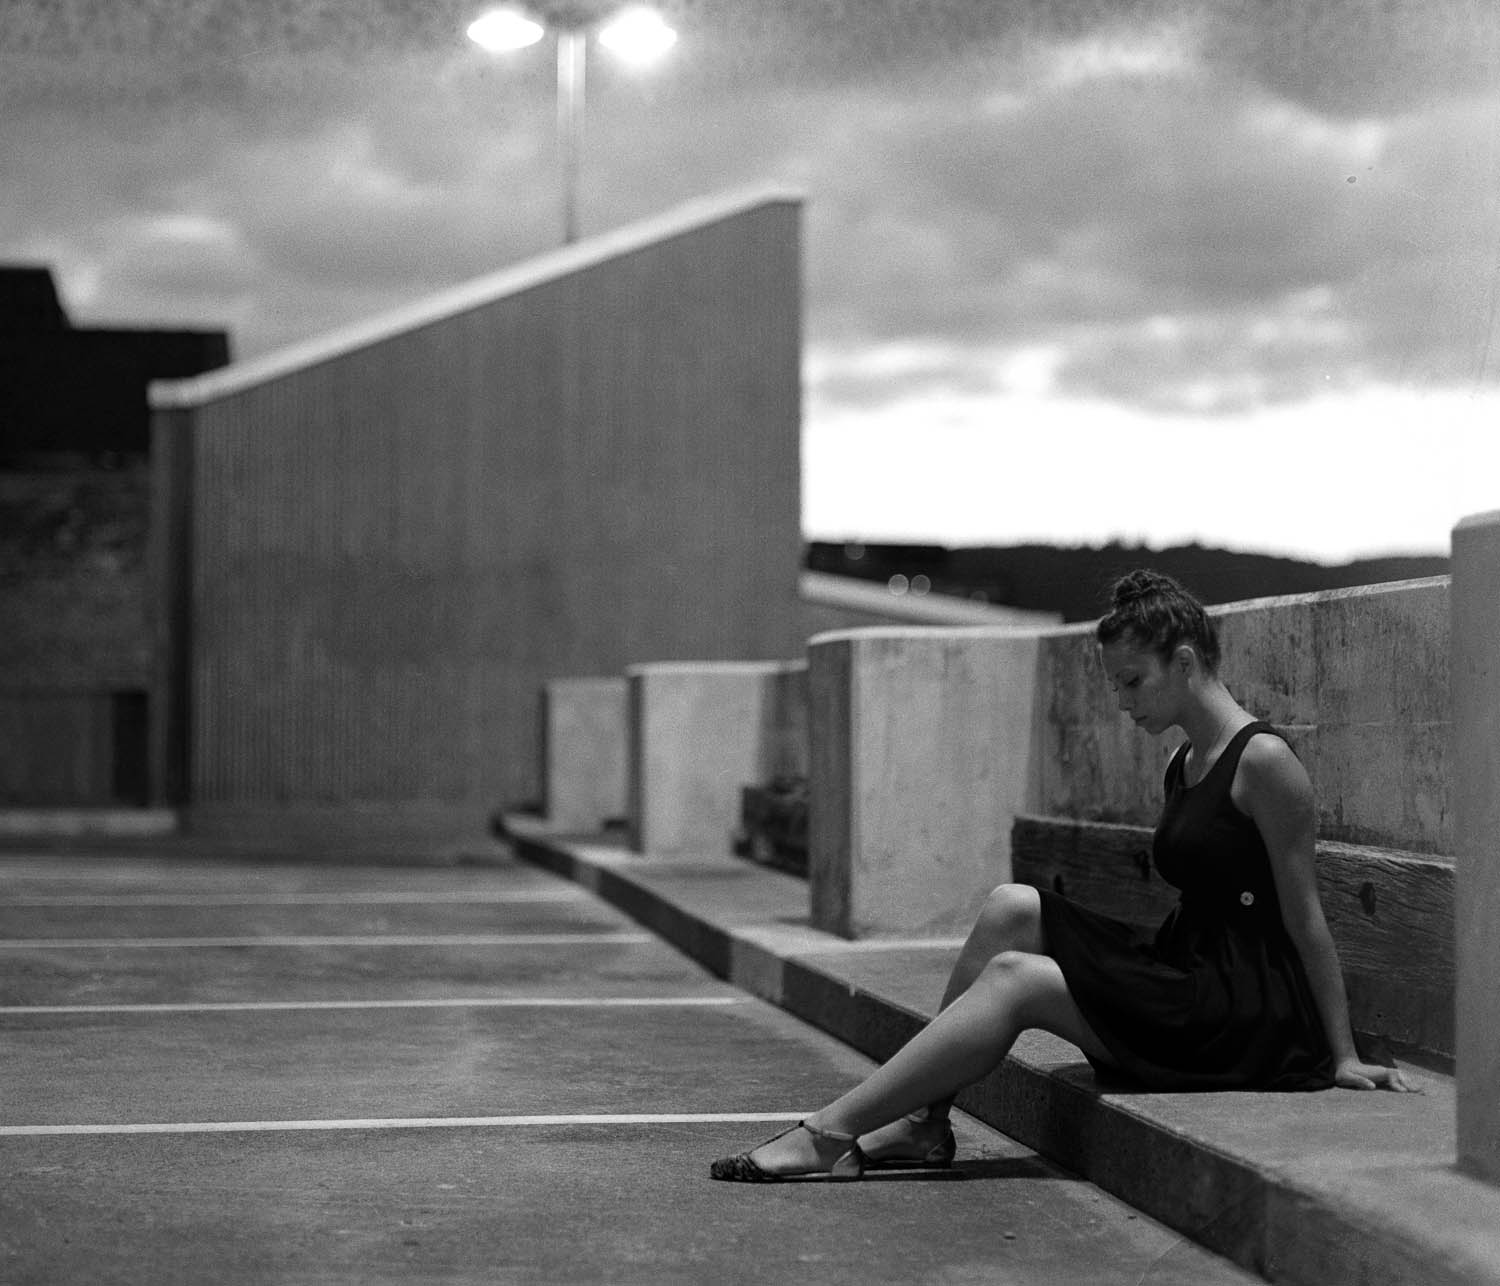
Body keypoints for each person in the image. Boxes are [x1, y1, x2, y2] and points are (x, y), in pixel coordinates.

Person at [710, 568, 1415, 1183]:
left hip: (1241, 1013)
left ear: (1187, 661)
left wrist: (1342, 1055)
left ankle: (828, 1135)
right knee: (1012, 905)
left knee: (1019, 978)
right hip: (1185, 968)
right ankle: (927, 1122)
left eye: (1133, 682)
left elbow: (1306, 916)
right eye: (1115, 685)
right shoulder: (1184, 761)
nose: (1123, 703)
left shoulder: (1265, 762)